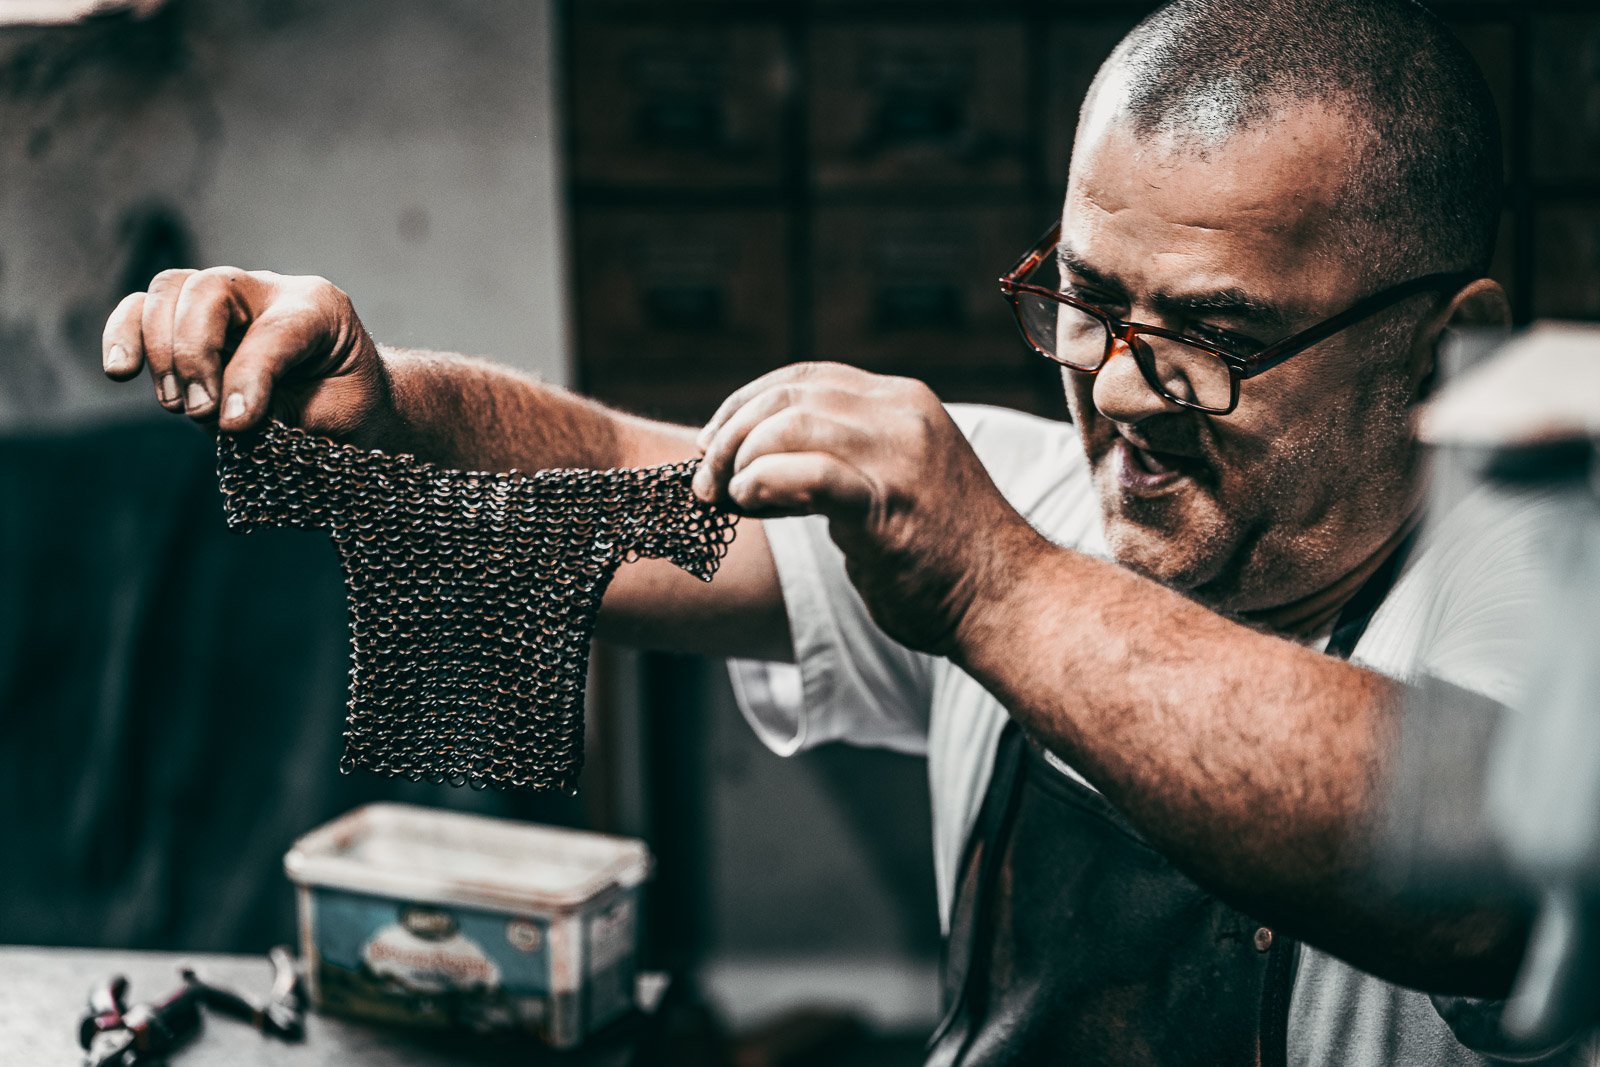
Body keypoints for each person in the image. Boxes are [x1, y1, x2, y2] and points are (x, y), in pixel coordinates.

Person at [99, 0, 1586, 1063]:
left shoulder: (1539, 580)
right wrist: (392, 408)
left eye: (1214, 335)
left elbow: (1475, 870)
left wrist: (992, 582)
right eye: (1085, 302)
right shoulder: (1030, 502)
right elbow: (631, 490)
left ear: (1446, 349)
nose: (1122, 390)